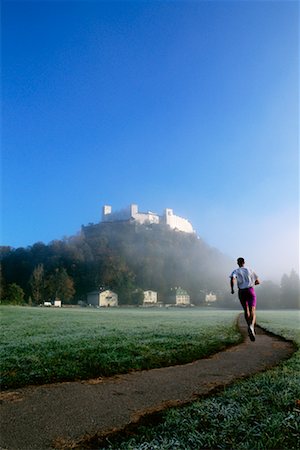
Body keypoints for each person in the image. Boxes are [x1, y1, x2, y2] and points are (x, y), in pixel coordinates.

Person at [230, 257, 260, 341]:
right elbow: (258, 281)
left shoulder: (235, 271)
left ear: (238, 263)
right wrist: (251, 283)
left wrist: (232, 289)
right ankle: (251, 326)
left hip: (241, 292)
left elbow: (232, 279)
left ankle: (249, 326)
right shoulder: (250, 270)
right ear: (244, 262)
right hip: (250, 290)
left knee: (246, 310)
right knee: (252, 310)